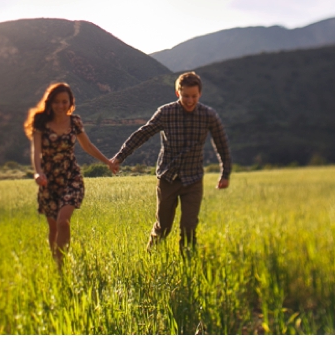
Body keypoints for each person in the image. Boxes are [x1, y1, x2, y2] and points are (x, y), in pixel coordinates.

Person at [110, 71, 231, 251]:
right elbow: (143, 134)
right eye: (185, 96)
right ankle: (151, 257)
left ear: (200, 94)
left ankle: (188, 264)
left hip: (193, 179)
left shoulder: (208, 115)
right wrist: (119, 157)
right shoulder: (166, 113)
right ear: (177, 93)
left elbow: (221, 144)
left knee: (189, 227)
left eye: (194, 96)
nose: (189, 100)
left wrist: (225, 173)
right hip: (168, 177)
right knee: (163, 226)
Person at [25, 82, 119, 268]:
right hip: (49, 181)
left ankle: (62, 264)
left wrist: (108, 161)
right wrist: (38, 173)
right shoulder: (41, 122)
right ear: (50, 102)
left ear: (70, 103)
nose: (60, 106)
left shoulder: (74, 122)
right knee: (53, 228)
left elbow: (88, 146)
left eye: (64, 102)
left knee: (63, 222)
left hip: (71, 177)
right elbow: (36, 152)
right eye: (57, 102)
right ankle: (57, 266)